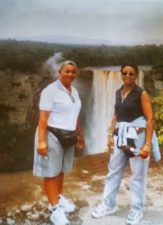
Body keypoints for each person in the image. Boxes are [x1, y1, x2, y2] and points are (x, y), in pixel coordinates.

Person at [91, 64, 160, 225]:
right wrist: (110, 135)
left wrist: (147, 145)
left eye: (131, 74)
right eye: (125, 73)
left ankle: (137, 210)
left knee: (138, 175)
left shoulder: (141, 94)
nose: (127, 76)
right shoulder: (118, 92)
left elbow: (150, 119)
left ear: (136, 76)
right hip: (120, 136)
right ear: (121, 74)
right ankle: (108, 205)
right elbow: (116, 114)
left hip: (137, 136)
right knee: (113, 171)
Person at [33, 60, 85, 225]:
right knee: (51, 172)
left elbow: (75, 115)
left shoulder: (74, 91)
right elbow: (43, 118)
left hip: (69, 136)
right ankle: (55, 209)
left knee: (61, 170)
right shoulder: (50, 91)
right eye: (67, 71)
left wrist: (80, 135)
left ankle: (58, 198)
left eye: (73, 72)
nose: (70, 74)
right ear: (59, 72)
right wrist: (41, 142)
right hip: (52, 135)